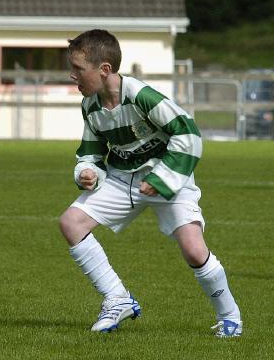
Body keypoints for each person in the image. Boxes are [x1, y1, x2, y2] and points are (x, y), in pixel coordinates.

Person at [59, 30, 242, 337]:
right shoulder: (90, 105)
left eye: (78, 69)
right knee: (71, 223)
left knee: (195, 251)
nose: (72, 75)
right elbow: (90, 153)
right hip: (122, 180)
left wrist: (163, 178)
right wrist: (87, 172)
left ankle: (230, 317)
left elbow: (189, 135)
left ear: (104, 70)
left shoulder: (142, 96)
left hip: (167, 177)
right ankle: (117, 298)